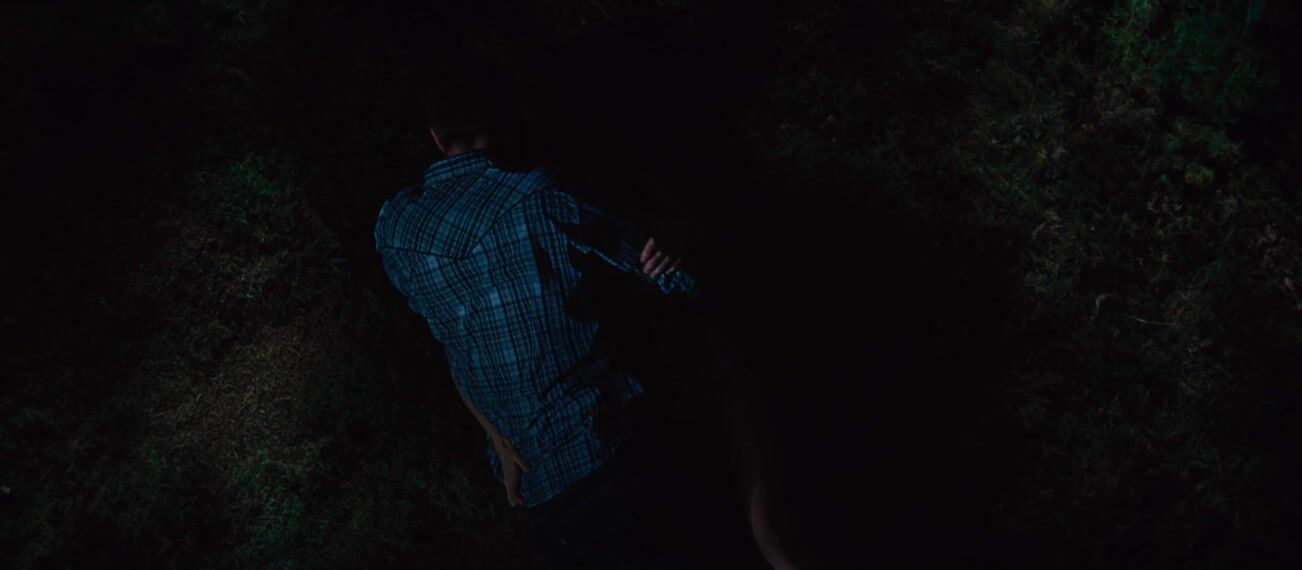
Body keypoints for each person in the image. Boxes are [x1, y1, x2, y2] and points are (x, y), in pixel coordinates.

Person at [373, 56, 806, 569]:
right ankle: (776, 546)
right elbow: (681, 280)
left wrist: (491, 429)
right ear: (508, 120)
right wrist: (674, 228)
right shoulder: (542, 196)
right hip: (610, 456)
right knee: (721, 365)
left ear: (436, 137)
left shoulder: (395, 228)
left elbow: (451, 340)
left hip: (542, 498)